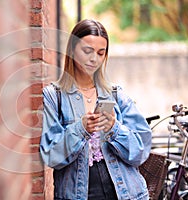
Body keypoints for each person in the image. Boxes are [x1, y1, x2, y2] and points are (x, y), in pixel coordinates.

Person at [39, 19, 152, 200]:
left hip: (126, 193)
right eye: (87, 51)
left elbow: (140, 151)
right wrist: (80, 128)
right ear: (72, 50)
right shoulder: (54, 96)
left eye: (101, 53)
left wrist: (114, 128)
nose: (94, 59)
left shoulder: (115, 94)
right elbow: (51, 156)